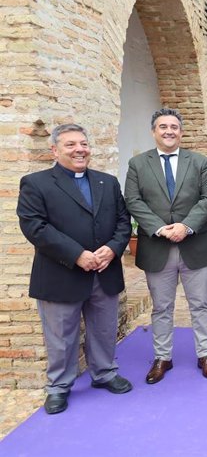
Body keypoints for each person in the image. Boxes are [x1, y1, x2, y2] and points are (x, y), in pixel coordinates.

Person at [17, 124, 133, 415]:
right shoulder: (36, 183)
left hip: (104, 271)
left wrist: (113, 248)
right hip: (61, 273)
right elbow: (34, 227)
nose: (80, 149)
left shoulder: (107, 182)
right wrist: (76, 254)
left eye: (83, 143)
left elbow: (123, 222)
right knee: (61, 335)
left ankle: (104, 373)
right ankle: (58, 386)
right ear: (54, 150)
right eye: (70, 145)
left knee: (104, 329)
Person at [125, 108, 207, 384]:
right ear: (154, 131)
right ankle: (162, 357)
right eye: (163, 126)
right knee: (161, 307)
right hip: (157, 245)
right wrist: (159, 228)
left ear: (181, 131)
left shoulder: (199, 161)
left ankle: (206, 354)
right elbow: (133, 200)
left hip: (195, 244)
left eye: (174, 127)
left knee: (200, 304)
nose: (169, 131)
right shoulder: (138, 164)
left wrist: (185, 226)